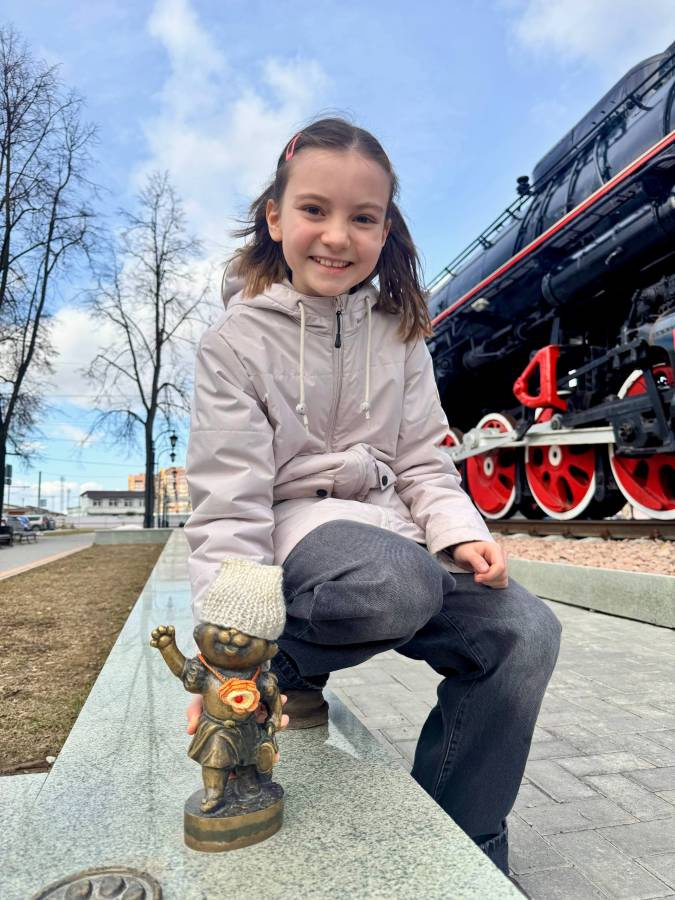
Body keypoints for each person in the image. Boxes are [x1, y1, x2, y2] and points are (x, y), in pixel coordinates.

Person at [184, 116, 561, 874]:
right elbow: (230, 501)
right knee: (395, 582)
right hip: (297, 532)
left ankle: (463, 842)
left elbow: (422, 457)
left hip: (393, 528)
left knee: (525, 631)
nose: (337, 236)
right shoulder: (234, 342)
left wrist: (459, 530)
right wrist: (231, 654)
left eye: (363, 218)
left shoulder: (401, 335)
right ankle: (287, 668)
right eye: (314, 209)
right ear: (275, 217)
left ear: (386, 231)